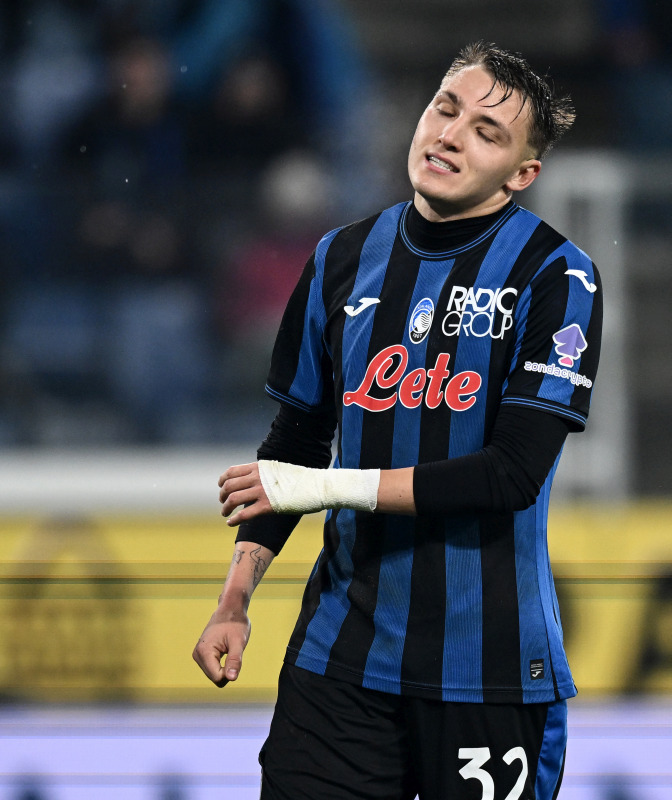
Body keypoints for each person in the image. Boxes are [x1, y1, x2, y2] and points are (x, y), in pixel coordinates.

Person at [193, 42, 600, 799]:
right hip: (340, 661)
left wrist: (328, 487)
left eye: (486, 132)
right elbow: (294, 444)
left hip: (489, 671)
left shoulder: (557, 274)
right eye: (446, 108)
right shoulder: (338, 259)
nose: (450, 135)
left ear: (521, 175)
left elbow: (510, 475)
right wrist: (235, 600)